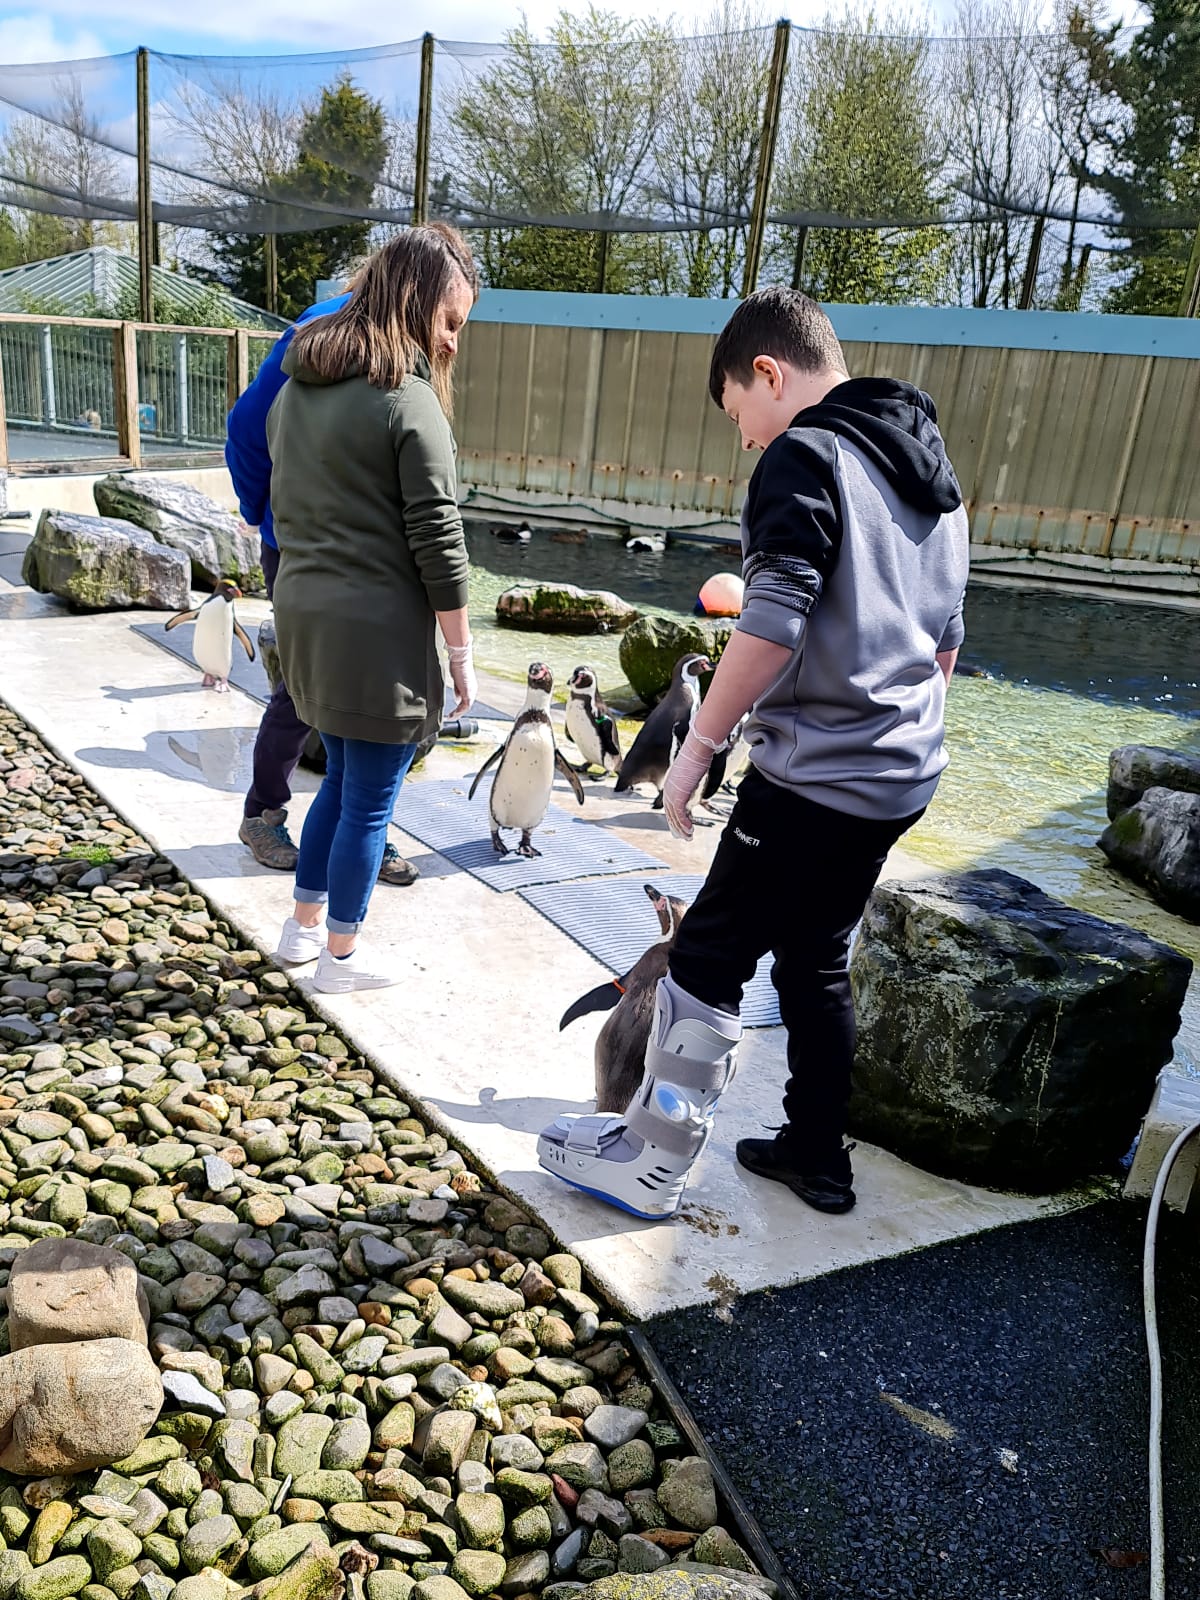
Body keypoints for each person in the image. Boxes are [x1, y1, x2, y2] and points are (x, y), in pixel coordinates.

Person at [538, 286, 969, 1219]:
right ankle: (817, 1154)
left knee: (708, 958)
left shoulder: (804, 457)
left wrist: (696, 748)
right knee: (815, 959)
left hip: (816, 781)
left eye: (740, 412)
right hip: (902, 776)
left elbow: (769, 627)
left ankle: (649, 1165)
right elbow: (945, 647)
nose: (745, 439)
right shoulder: (933, 476)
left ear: (770, 373)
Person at [267, 224, 480, 995]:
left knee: (337, 785)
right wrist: (460, 655)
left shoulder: (297, 385)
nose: (453, 342)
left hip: (304, 618)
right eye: (450, 322)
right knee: (370, 806)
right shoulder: (408, 401)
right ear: (419, 304)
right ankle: (341, 962)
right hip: (376, 636)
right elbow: (438, 539)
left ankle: (301, 932)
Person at [227, 281, 418, 887]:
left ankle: (368, 827)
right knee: (302, 690)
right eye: (449, 318)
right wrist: (270, 517)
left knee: (378, 702)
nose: (452, 337)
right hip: (305, 549)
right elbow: (247, 428)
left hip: (367, 560)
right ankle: (262, 812)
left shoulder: (405, 339)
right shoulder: (325, 325)